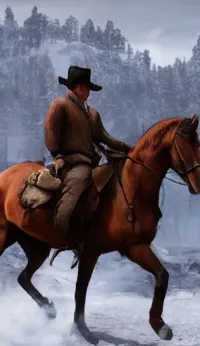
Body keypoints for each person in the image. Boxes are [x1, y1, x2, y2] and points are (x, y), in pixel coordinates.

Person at [44, 65, 134, 258]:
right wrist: (57, 156)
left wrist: (127, 148)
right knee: (79, 182)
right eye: (86, 88)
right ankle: (62, 232)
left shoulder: (91, 113)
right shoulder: (60, 105)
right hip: (70, 162)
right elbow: (52, 133)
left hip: (90, 162)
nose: (88, 93)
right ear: (77, 87)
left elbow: (104, 137)